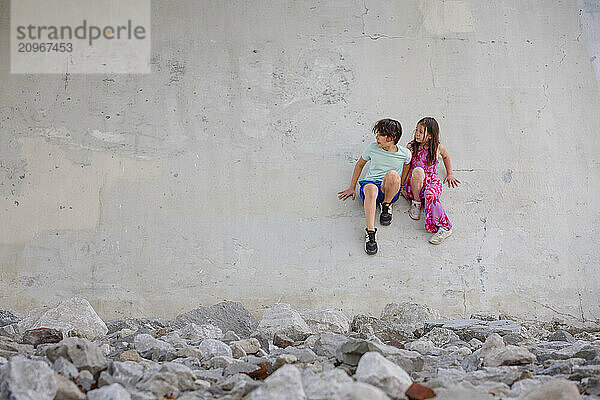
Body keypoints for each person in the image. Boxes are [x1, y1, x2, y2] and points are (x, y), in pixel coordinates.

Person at [338, 118, 412, 255]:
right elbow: (360, 164)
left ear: (392, 138)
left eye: (381, 135)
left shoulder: (405, 154)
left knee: (393, 175)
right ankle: (370, 233)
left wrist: (401, 185)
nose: (377, 137)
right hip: (370, 186)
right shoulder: (372, 148)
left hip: (388, 189)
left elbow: (407, 167)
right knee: (371, 188)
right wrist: (351, 187)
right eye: (377, 134)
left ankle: (386, 205)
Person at [401, 117, 460, 244]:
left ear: (430, 135)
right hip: (415, 185)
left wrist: (450, 174)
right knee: (418, 171)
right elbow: (406, 166)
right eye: (416, 130)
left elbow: (446, 157)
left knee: (430, 194)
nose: (417, 134)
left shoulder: (438, 147)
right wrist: (402, 185)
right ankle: (416, 202)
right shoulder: (411, 146)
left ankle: (444, 227)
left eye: (421, 132)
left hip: (432, 183)